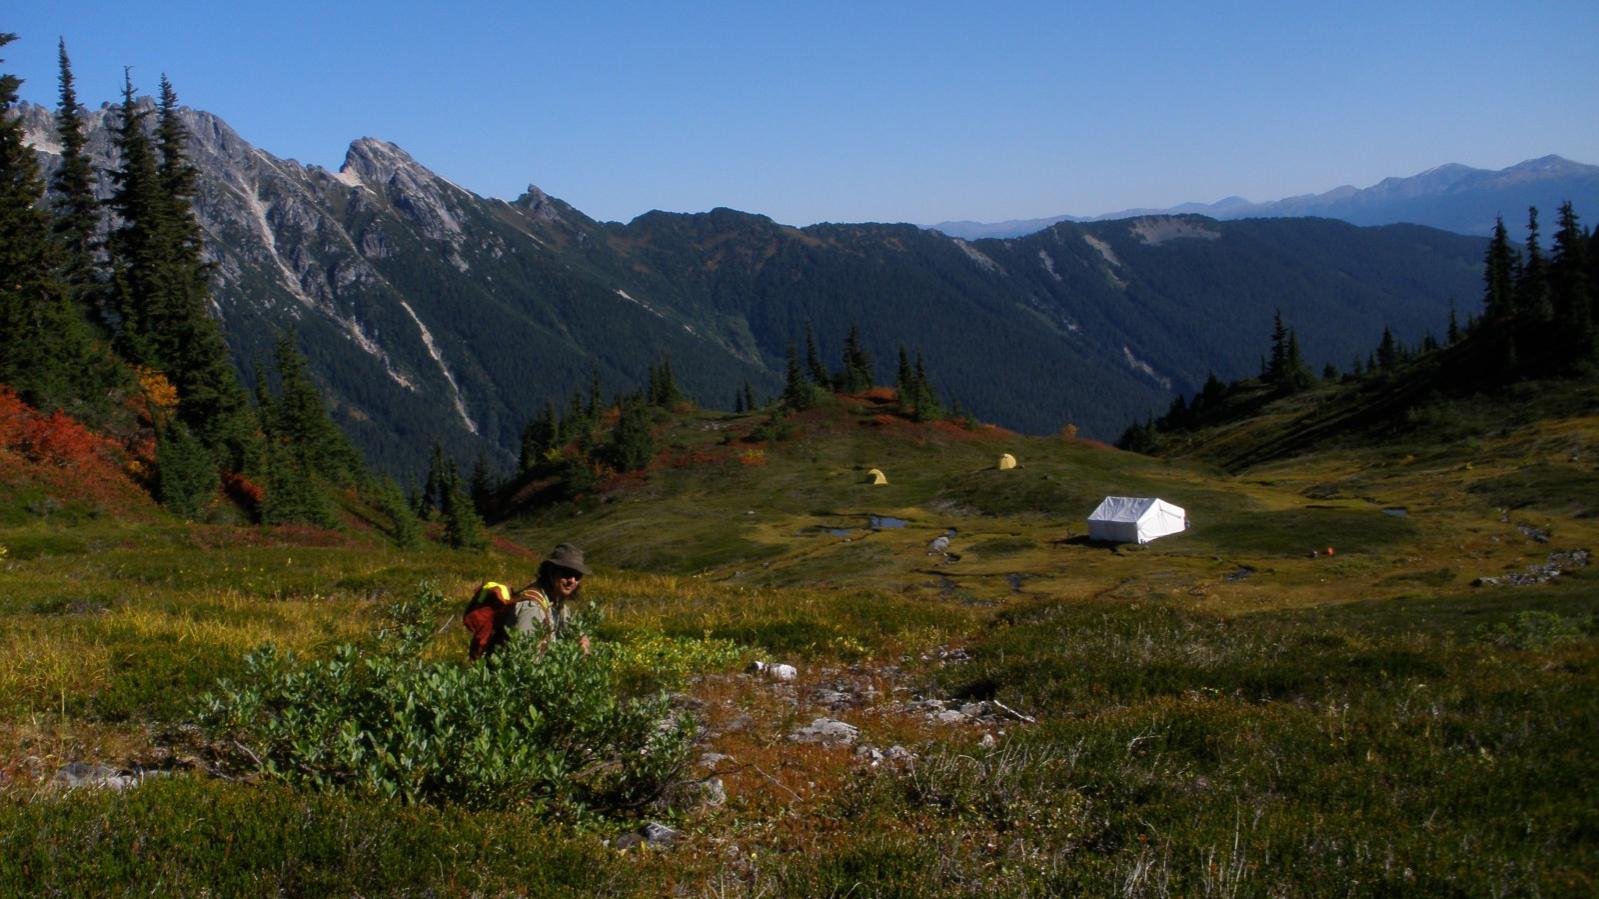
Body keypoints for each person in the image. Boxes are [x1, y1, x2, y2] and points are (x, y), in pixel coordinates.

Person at [465, 542, 592, 660]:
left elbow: (571, 634)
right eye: (567, 573)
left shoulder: (557, 604)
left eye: (578, 576)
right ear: (551, 571)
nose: (572, 580)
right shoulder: (532, 608)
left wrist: (580, 641)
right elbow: (522, 660)